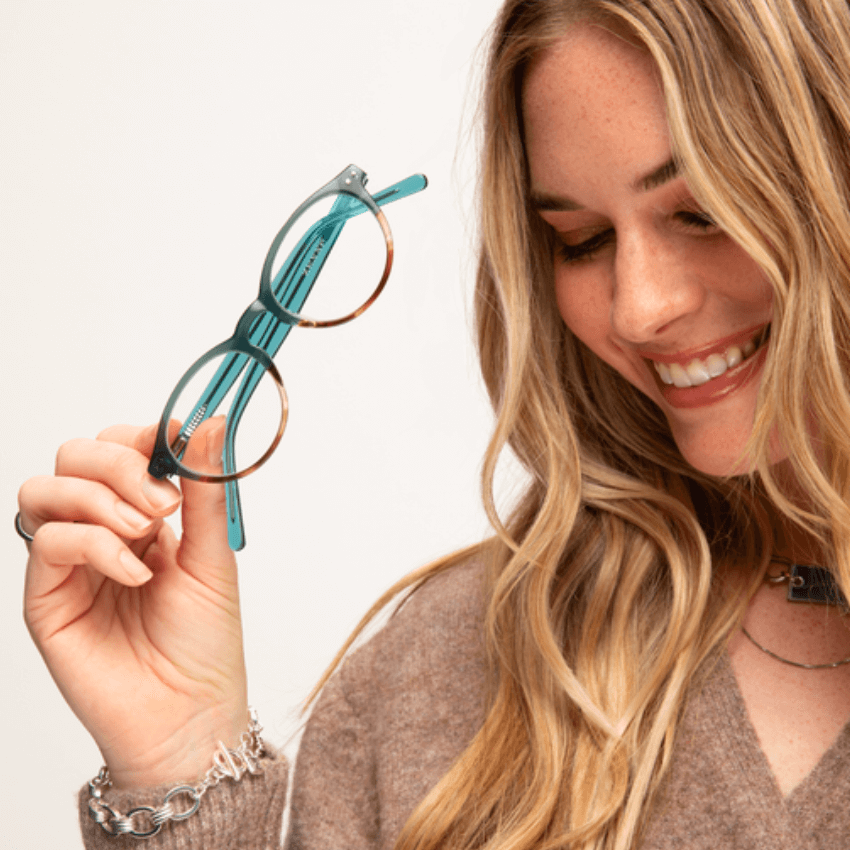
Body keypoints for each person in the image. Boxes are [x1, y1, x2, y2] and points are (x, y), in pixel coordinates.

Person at [17, 0, 850, 846]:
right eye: (582, 239)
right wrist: (181, 762)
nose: (639, 310)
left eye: (702, 211)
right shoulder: (446, 678)